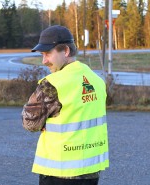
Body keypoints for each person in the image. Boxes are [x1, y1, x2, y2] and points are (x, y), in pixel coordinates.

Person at [22, 25, 109, 185]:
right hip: (91, 173)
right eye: (42, 54)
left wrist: (44, 122)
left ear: (66, 51)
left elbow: (29, 123)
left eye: (48, 53)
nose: (44, 61)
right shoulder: (97, 81)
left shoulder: (52, 85)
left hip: (59, 173)